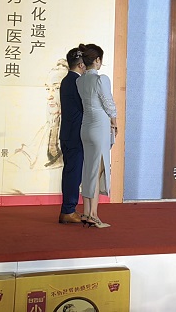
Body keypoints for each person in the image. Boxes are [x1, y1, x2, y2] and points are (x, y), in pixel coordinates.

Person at [76, 43, 117, 228]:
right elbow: (108, 103)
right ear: (97, 60)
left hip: (86, 127)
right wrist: (115, 122)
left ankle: (87, 212)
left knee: (88, 169)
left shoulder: (80, 81)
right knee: (97, 169)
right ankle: (93, 214)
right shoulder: (101, 79)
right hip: (99, 126)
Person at [58, 48, 86, 224]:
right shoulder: (77, 82)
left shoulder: (67, 80)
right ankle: (68, 210)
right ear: (81, 64)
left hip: (68, 133)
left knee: (70, 172)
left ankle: (68, 209)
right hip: (75, 134)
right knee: (73, 173)